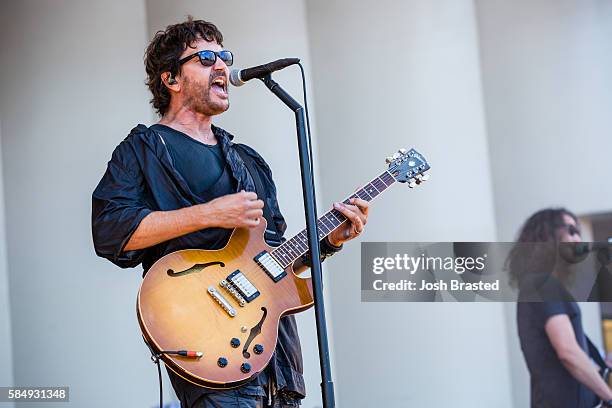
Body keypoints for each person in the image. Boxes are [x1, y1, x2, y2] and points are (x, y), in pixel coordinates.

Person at [91, 17, 369, 408]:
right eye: (205, 57)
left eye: (224, 56)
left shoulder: (248, 162)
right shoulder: (141, 150)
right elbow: (109, 230)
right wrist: (208, 214)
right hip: (206, 343)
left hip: (275, 354)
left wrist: (329, 242)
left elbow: (272, 261)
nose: (221, 65)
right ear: (170, 79)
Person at [511, 208, 612, 408]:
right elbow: (567, 351)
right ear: (547, 237)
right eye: (571, 231)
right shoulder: (542, 284)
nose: (578, 240)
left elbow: (565, 354)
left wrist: (601, 361)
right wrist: (609, 397)